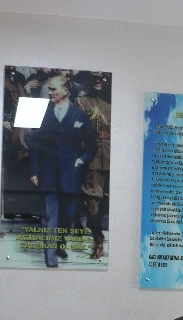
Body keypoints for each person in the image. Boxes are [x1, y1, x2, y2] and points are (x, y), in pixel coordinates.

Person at [29, 74, 98, 267]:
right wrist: (34, 171)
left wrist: (80, 161)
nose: (50, 92)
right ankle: (51, 260)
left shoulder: (80, 116)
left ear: (65, 91)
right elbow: (34, 145)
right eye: (49, 89)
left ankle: (60, 243)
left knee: (68, 216)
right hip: (47, 174)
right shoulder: (42, 114)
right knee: (48, 217)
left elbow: (92, 146)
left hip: (71, 176)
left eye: (53, 89)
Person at [73, 71, 112, 260]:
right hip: (92, 158)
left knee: (106, 202)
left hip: (112, 157)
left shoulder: (113, 103)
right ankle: (98, 241)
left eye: (101, 79)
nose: (98, 82)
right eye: (94, 79)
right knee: (93, 203)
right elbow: (75, 130)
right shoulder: (81, 102)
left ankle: (94, 227)